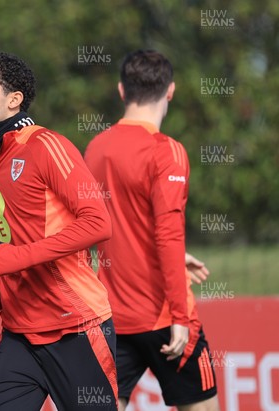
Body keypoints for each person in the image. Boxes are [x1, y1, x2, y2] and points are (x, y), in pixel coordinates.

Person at [0, 52, 117, 410]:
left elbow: (98, 223)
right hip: (19, 337)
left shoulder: (46, 145)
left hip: (75, 327)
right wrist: (2, 293)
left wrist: (10, 259)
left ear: (13, 99)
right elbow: (22, 247)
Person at [84, 49, 220, 410]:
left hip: (112, 317)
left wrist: (176, 257)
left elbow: (101, 228)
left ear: (120, 90)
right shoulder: (167, 152)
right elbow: (167, 234)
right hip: (165, 318)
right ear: (170, 91)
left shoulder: (94, 149)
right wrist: (180, 315)